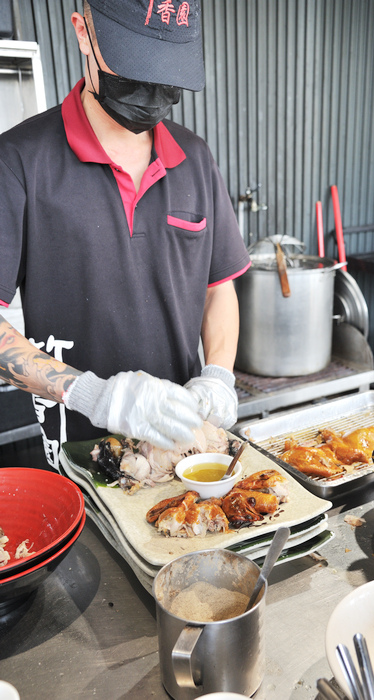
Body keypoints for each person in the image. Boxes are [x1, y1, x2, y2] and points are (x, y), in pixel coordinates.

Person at [0, 0, 250, 469]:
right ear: (82, 31)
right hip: (79, 454)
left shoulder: (194, 157)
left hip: (185, 445)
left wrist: (217, 374)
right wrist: (95, 395)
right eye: (133, 69)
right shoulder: (17, 161)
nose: (151, 93)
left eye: (167, 76)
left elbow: (219, 287)